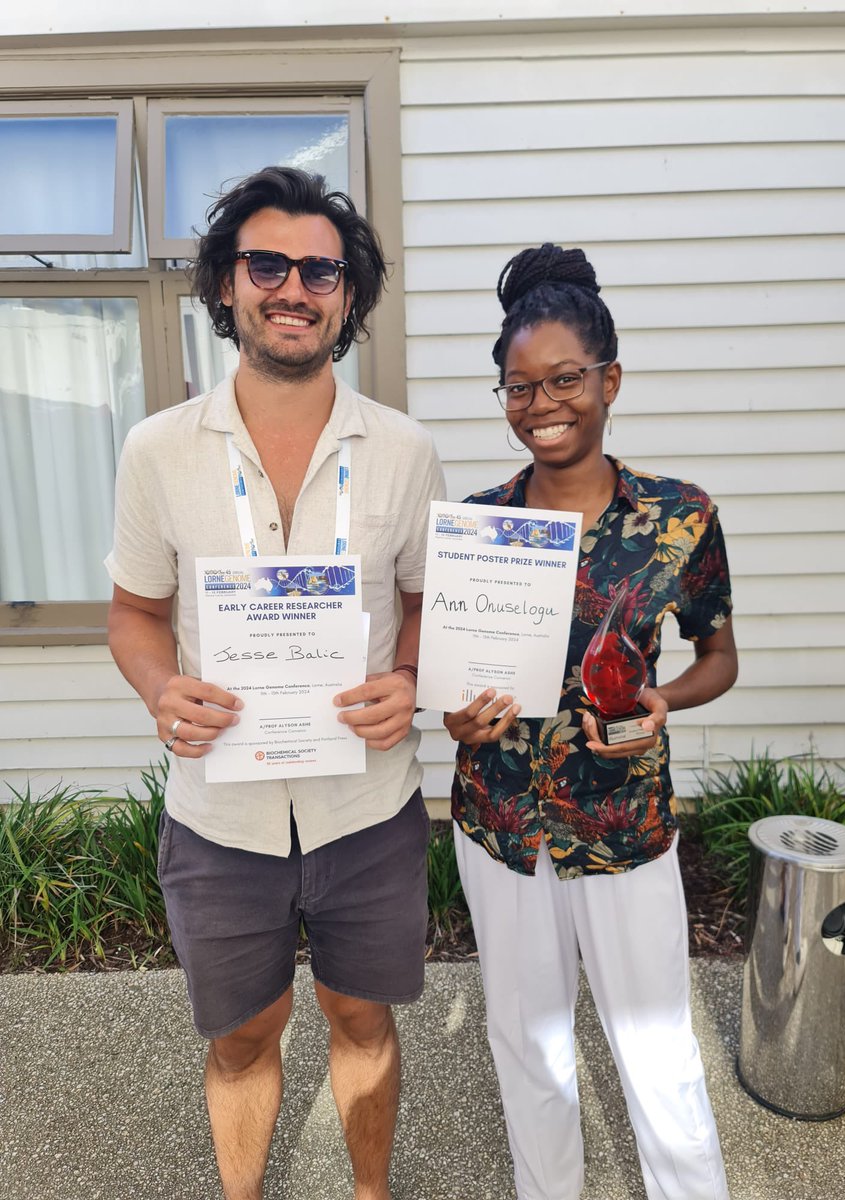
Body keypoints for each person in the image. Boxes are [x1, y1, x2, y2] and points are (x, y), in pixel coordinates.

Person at [105, 166, 444, 1200]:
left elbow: (429, 603)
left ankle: (370, 1193)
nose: (294, 288)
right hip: (222, 817)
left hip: (367, 804)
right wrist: (162, 690)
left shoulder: (402, 449)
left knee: (361, 1017)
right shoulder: (158, 451)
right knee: (244, 1037)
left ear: (348, 299)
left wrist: (411, 677)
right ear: (224, 285)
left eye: (322, 271)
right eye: (268, 264)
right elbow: (135, 616)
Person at [444, 243, 738, 1200]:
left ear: (609, 378)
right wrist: (458, 718)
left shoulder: (680, 518)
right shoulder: (482, 525)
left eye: (564, 379)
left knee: (657, 1056)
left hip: (622, 827)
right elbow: (452, 682)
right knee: (528, 1050)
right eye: (518, 388)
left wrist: (666, 700)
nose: (543, 405)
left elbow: (718, 659)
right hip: (501, 824)